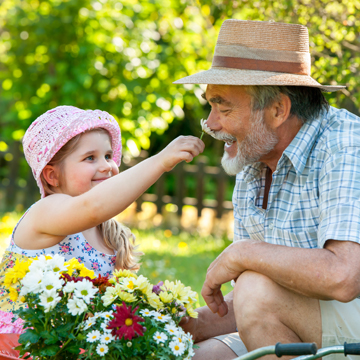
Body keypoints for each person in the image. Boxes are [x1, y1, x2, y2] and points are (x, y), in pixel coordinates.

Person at [175, 20, 360, 360]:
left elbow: (343, 277)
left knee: (255, 290)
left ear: (278, 109)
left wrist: (241, 254)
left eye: (223, 106)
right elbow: (257, 306)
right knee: (193, 355)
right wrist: (178, 325)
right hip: (313, 327)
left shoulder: (346, 146)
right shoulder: (254, 163)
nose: (212, 124)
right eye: (210, 106)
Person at [0, 105, 204, 312]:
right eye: (90, 158)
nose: (107, 166)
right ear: (52, 176)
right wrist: (161, 161)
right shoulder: (44, 213)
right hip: (23, 341)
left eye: (108, 156)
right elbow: (93, 207)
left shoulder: (106, 233)